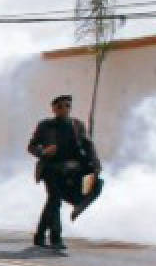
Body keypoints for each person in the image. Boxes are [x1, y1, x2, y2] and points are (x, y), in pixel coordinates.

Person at [27, 94, 101, 250]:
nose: (64, 109)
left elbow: (88, 146)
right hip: (50, 169)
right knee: (54, 200)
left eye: (67, 105)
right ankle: (56, 237)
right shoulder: (45, 125)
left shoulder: (77, 125)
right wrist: (43, 151)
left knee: (96, 184)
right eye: (60, 106)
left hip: (71, 170)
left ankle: (40, 235)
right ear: (54, 109)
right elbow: (32, 146)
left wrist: (95, 164)